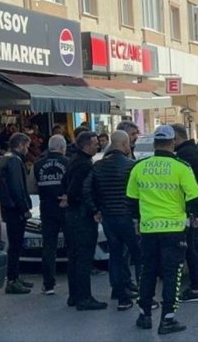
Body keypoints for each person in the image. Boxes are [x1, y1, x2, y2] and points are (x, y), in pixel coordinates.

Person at [128, 125, 198, 335]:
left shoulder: (139, 167)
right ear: (172, 143)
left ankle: (144, 315)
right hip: (174, 228)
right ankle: (168, 318)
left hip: (149, 228)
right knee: (172, 273)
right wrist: (197, 217)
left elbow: (131, 199)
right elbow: (195, 196)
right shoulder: (181, 167)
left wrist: (136, 220)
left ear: (154, 144)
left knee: (148, 272)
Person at [82, 130, 140, 311]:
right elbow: (138, 193)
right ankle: (144, 293)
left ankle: (120, 295)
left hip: (108, 217)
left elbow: (86, 189)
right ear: (124, 144)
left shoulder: (98, 166)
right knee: (138, 256)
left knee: (115, 255)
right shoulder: (131, 165)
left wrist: (95, 209)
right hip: (127, 217)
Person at [62, 131, 106, 310]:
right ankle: (84, 297)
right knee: (84, 258)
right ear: (86, 146)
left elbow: (66, 185)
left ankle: (74, 295)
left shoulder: (73, 160)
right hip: (81, 217)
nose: (98, 146)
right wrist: (94, 210)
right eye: (95, 144)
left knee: (74, 257)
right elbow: (80, 191)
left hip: (72, 216)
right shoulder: (85, 165)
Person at [171, 123, 198, 303]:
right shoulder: (193, 151)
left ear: (176, 138)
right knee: (193, 249)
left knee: (190, 249)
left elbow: (188, 186)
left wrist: (195, 212)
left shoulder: (184, 155)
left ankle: (196, 287)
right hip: (192, 206)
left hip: (187, 207)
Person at [32, 135, 69, 295]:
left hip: (47, 208)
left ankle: (48, 284)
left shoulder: (38, 164)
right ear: (62, 147)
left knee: (48, 247)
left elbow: (31, 187)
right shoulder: (68, 163)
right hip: (66, 207)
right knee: (71, 245)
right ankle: (74, 283)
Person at [0, 132, 34, 295]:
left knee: (15, 245)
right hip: (14, 210)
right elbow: (17, 186)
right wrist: (24, 208)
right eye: (26, 146)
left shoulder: (5, 158)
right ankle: (12, 280)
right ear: (20, 145)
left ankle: (15, 277)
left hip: (8, 208)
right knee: (15, 246)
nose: (27, 149)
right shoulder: (14, 160)